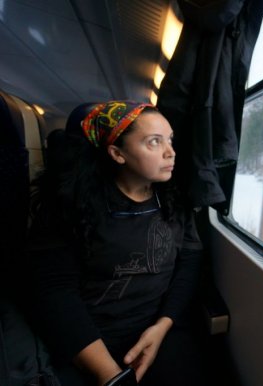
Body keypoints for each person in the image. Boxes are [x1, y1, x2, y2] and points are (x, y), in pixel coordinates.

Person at [27, 101, 208, 385]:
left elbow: (188, 264)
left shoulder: (176, 201)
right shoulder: (70, 205)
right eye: (154, 142)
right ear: (117, 153)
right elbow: (55, 291)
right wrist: (108, 374)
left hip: (157, 327)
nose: (171, 152)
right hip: (88, 338)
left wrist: (163, 326)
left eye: (170, 140)